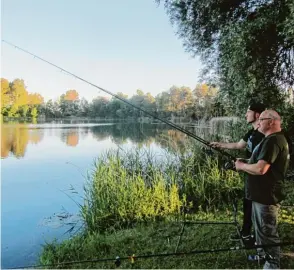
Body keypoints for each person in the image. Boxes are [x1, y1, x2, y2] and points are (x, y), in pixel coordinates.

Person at [235, 109, 290, 269]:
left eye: (262, 119)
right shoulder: (272, 139)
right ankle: (262, 256)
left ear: (271, 121)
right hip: (261, 195)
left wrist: (242, 166)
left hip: (266, 196)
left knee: (267, 232)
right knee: (260, 230)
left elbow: (261, 169)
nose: (258, 122)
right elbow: (262, 162)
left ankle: (272, 264)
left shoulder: (273, 140)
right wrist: (244, 162)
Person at [210, 102, 265, 242]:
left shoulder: (265, 135)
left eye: (248, 112)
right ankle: (246, 232)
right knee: (247, 204)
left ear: (257, 115)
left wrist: (244, 163)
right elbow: (238, 145)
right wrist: (219, 144)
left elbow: (262, 160)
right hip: (250, 175)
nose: (246, 114)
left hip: (260, 178)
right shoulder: (251, 132)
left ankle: (258, 237)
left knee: (257, 208)